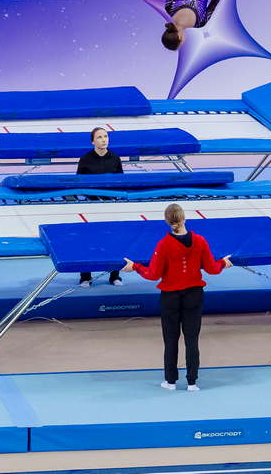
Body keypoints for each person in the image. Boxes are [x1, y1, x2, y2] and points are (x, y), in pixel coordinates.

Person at [123, 203, 232, 391]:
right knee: (192, 339)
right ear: (184, 218)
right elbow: (212, 269)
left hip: (170, 297)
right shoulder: (200, 241)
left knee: (171, 340)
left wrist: (135, 267)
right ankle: (192, 382)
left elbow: (153, 274)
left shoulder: (164, 245)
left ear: (167, 221)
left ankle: (170, 381)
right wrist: (223, 262)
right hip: (194, 295)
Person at [77, 127, 124, 287]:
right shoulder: (85, 159)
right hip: (91, 205)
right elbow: (78, 184)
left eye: (105, 136)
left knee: (114, 239)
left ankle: (115, 276)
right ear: (93, 141)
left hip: (111, 205)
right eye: (99, 137)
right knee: (88, 240)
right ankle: (85, 277)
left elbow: (121, 182)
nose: (104, 140)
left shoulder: (115, 158)